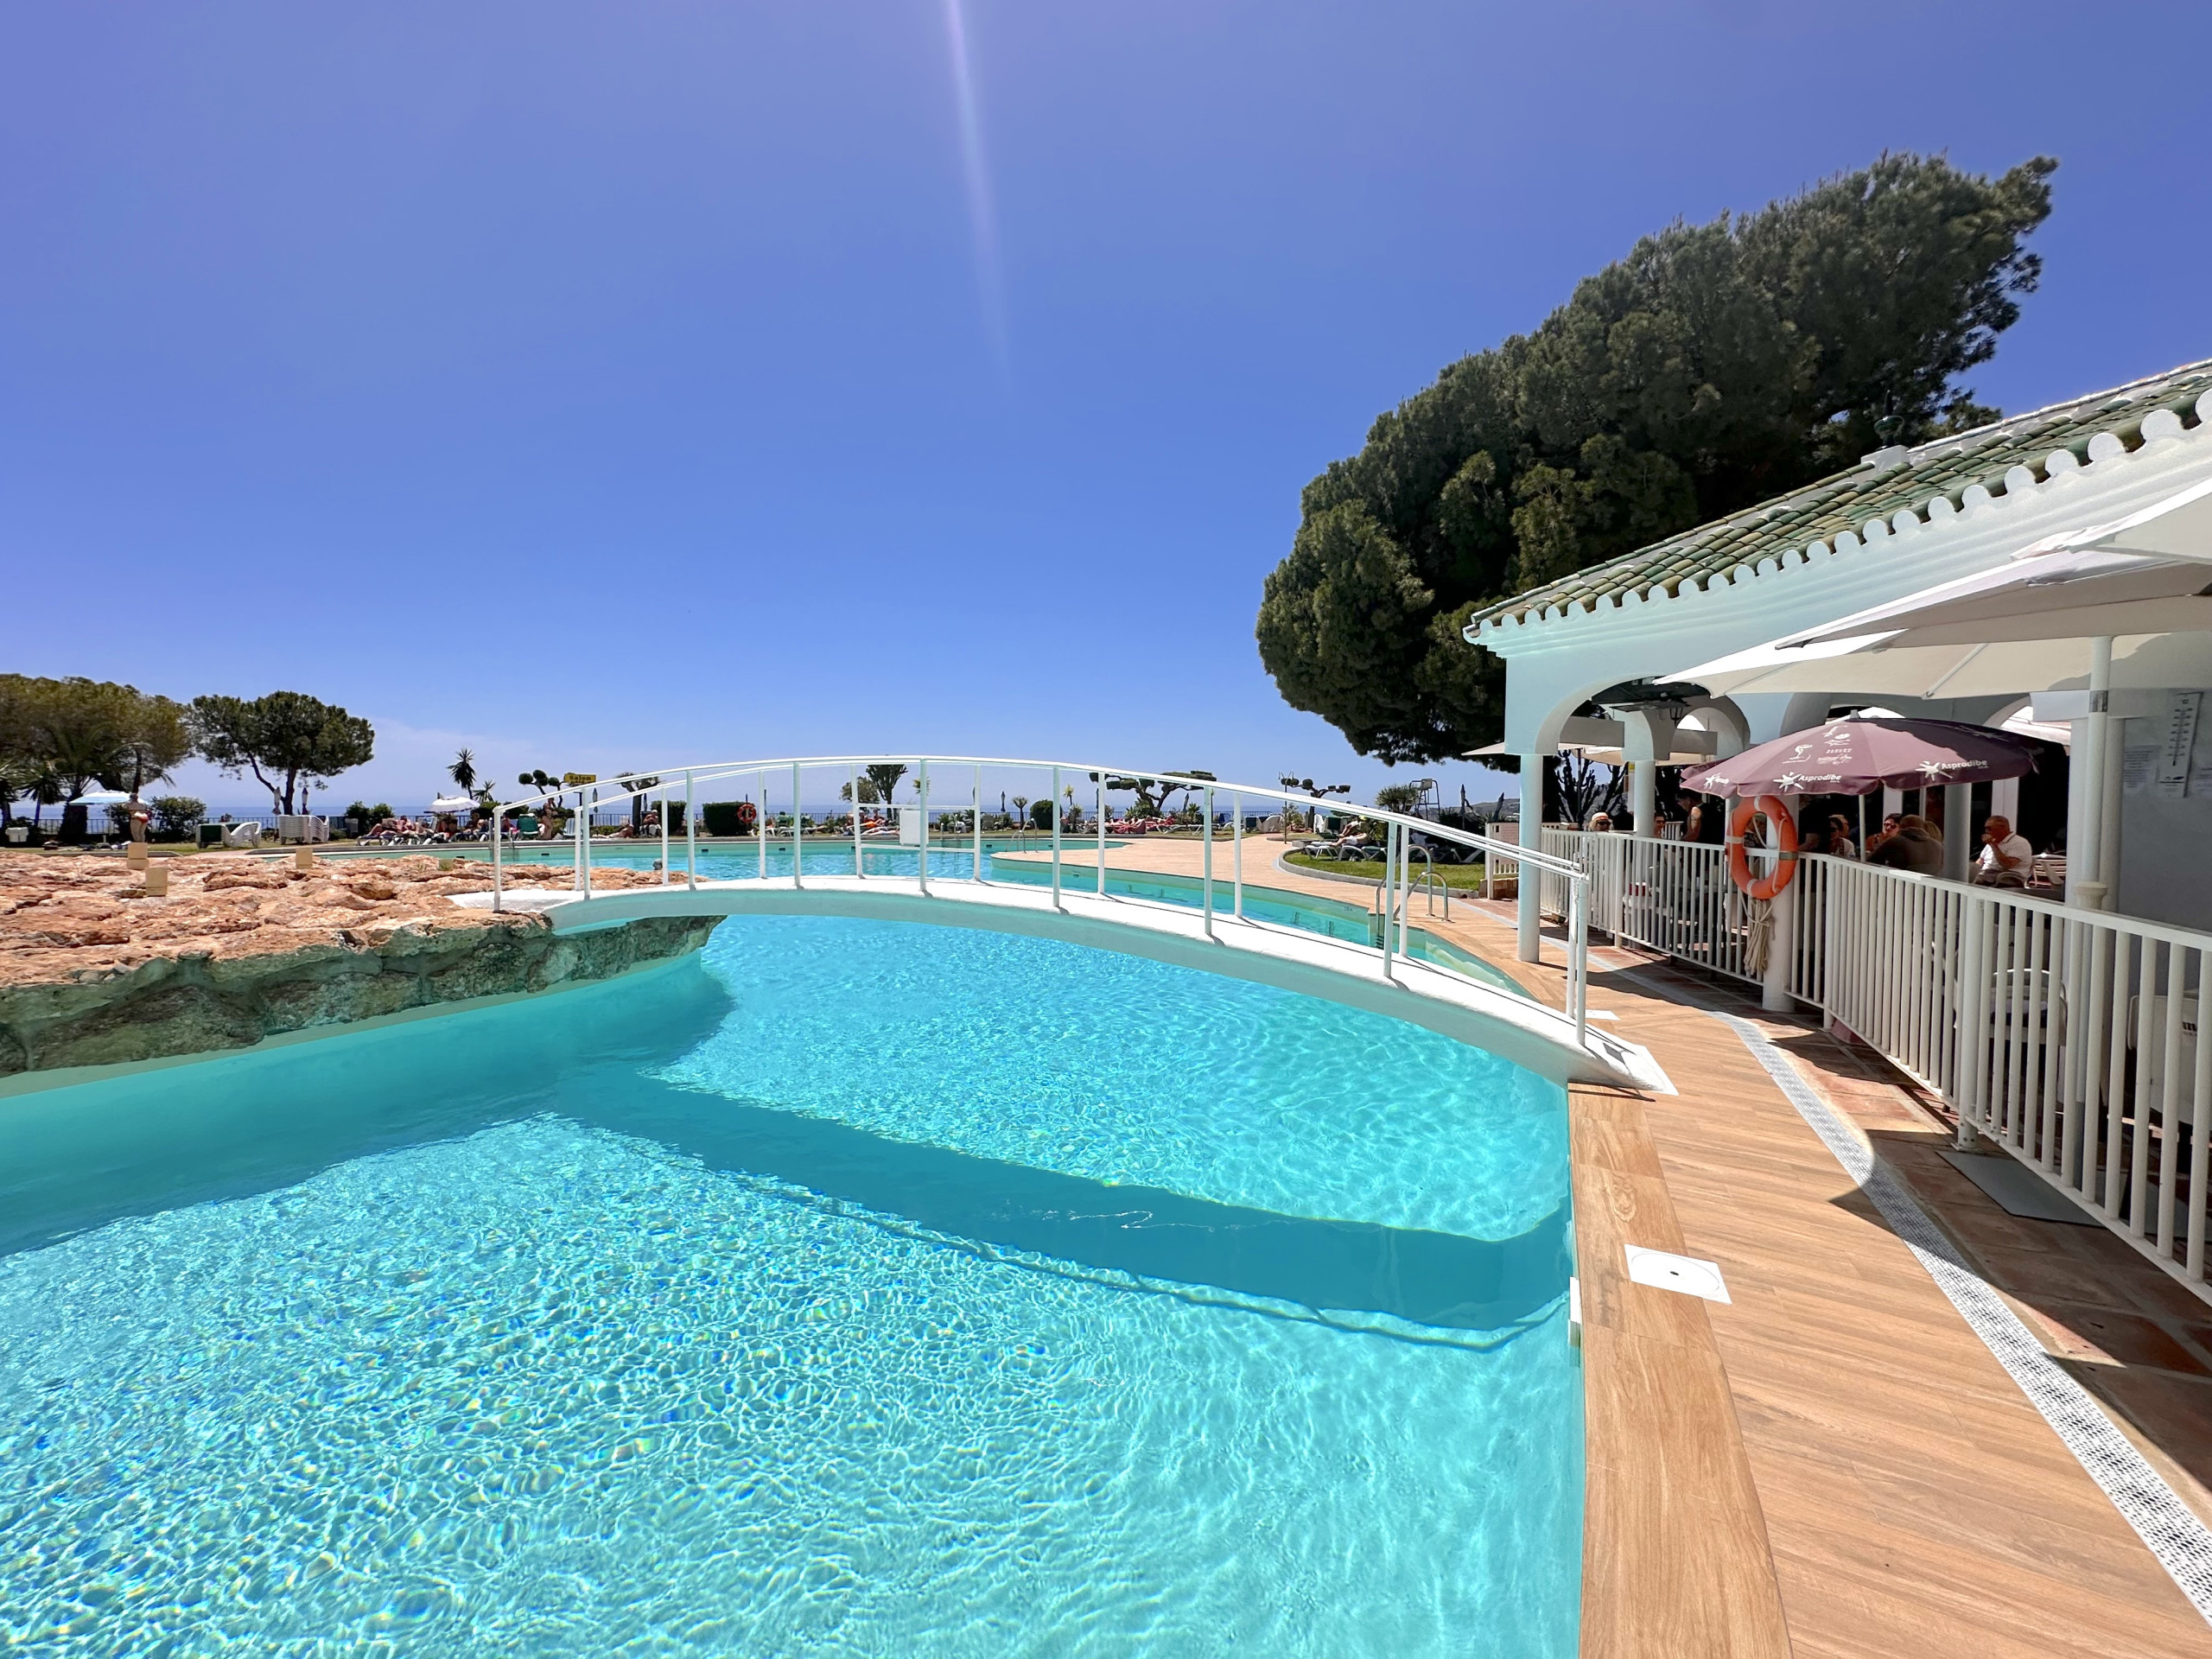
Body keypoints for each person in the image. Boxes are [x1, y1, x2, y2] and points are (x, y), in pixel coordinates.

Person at [1868, 812, 1944, 874]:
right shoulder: (1938, 845)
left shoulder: (1895, 842)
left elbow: (1871, 860)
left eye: (1893, 826)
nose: (1887, 829)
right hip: (1931, 886)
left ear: (1901, 826)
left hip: (1900, 885)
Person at [1974, 815, 2033, 886]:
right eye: (1986, 828)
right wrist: (1972, 869)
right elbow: (1980, 861)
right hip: (1988, 873)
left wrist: (1993, 846)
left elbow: (2007, 865)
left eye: (1989, 828)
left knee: (1974, 880)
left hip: (2008, 876)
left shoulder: (2019, 843)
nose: (1986, 831)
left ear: (2002, 828)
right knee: (1965, 876)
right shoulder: (1993, 841)